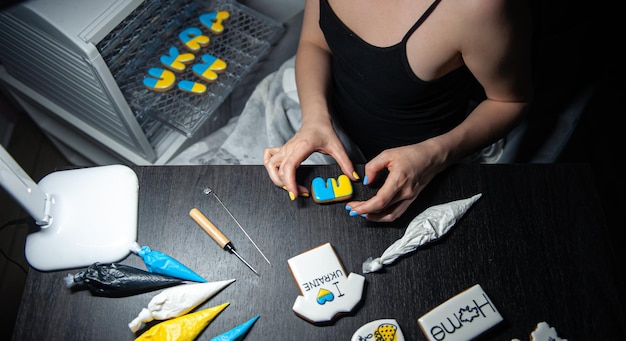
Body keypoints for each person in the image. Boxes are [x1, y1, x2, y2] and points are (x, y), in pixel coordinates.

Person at [263, 0, 533, 222]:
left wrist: (434, 156)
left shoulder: (478, 7)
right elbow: (315, 43)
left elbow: (510, 102)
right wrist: (314, 119)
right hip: (321, 116)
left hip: (422, 160)